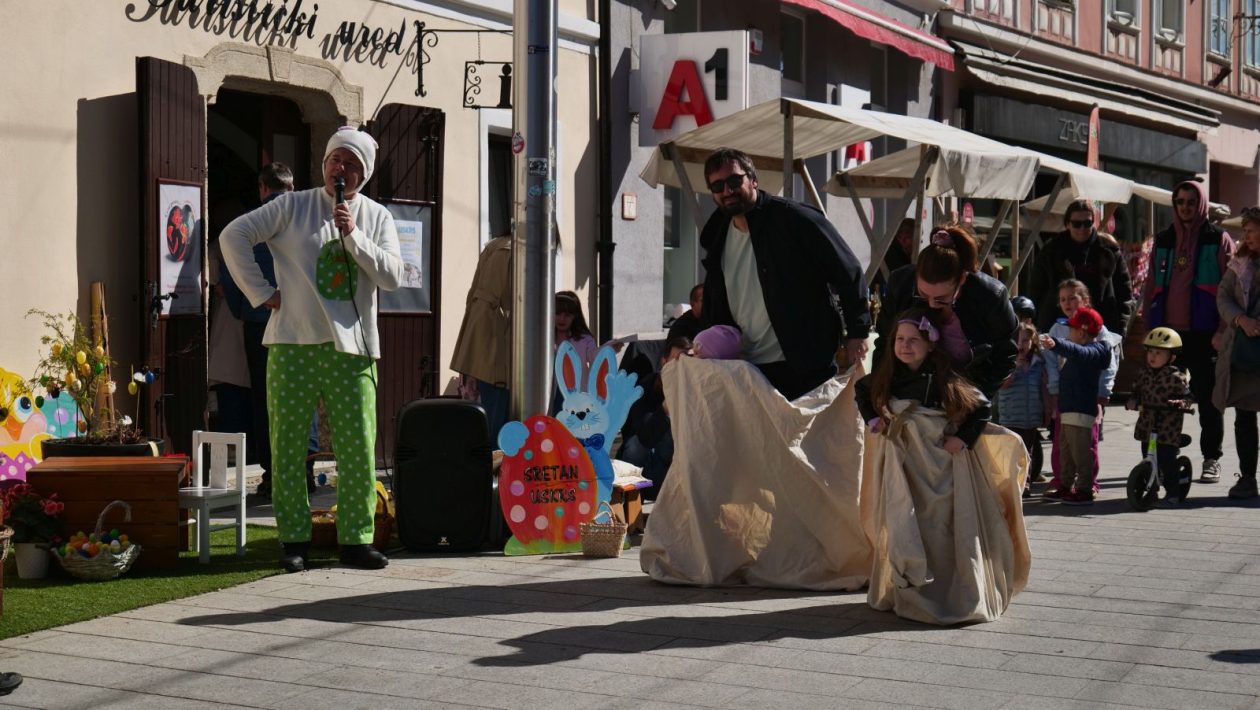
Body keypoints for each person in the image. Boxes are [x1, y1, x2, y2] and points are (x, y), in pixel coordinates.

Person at [221, 127, 404, 573]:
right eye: (335, 160)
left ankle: (356, 540)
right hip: (292, 343)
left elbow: (394, 276)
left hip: (352, 349)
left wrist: (355, 237)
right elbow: (233, 236)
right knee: (286, 446)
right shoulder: (291, 205)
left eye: (352, 164)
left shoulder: (377, 216)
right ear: (324, 163)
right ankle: (294, 540)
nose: (341, 169)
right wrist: (262, 293)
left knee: (357, 447)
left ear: (364, 173)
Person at [857, 308, 1028, 624]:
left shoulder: (944, 378)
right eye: (900, 339)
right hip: (905, 465)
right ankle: (907, 584)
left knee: (938, 526)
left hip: (939, 463)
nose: (905, 346)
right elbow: (862, 391)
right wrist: (873, 419)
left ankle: (946, 588)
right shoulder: (887, 375)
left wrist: (962, 439)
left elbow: (981, 407)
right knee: (904, 522)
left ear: (930, 344)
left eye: (913, 340)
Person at [697, 147, 869, 400]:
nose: (727, 190)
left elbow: (848, 270)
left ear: (753, 180)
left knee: (807, 440)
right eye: (718, 186)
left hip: (803, 363)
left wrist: (857, 332)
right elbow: (714, 301)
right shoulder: (716, 236)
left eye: (735, 181)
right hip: (745, 367)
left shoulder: (794, 218)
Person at [1143, 179, 1236, 483]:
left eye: (1191, 201)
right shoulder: (1164, 239)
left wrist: (1223, 330)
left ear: (1202, 204)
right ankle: (1160, 457)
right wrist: (1150, 330)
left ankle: (1211, 458)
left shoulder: (1218, 239)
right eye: (1180, 201)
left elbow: (1231, 289)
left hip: (1205, 333)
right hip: (1168, 334)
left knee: (1209, 399)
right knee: (1161, 398)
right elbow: (1150, 288)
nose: (1185, 207)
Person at [220, 162, 295, 498]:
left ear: (262, 188)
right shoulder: (303, 219)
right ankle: (304, 470)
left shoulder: (250, 223)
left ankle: (272, 476)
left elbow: (230, 271)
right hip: (301, 324)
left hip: (260, 323)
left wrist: (246, 308)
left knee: (267, 401)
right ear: (291, 188)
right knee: (302, 399)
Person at [875, 224, 1018, 400]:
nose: (932, 304)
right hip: (908, 392)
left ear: (962, 279)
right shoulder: (901, 284)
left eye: (942, 298)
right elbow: (884, 342)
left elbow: (1006, 354)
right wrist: (879, 392)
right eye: (923, 294)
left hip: (966, 393)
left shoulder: (991, 296)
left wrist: (976, 400)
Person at [1040, 279, 1121, 501]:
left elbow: (1103, 363)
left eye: (1072, 297)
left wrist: (1103, 394)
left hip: (1087, 400)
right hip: (1065, 399)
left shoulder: (1098, 335)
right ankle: (1063, 481)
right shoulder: (1058, 327)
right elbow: (1051, 361)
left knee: (1086, 444)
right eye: (1062, 299)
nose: (1067, 302)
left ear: (1085, 301)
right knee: (1062, 443)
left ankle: (1087, 484)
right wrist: (1054, 389)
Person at [1029, 198, 1134, 337]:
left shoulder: (1109, 250)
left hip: (1100, 327)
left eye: (1087, 223)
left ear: (1093, 223)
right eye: (1077, 224)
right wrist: (1036, 323)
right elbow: (1036, 289)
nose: (1082, 228)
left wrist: (1122, 325)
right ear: (1067, 224)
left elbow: (1124, 291)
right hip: (1058, 326)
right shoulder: (1051, 251)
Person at [1214, 207, 1260, 499]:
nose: (1247, 236)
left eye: (1252, 230)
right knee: (1244, 417)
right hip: (1244, 352)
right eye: (1245, 230)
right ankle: (1247, 478)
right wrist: (1240, 319)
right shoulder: (1240, 263)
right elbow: (1223, 296)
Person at [450, 232, 512, 439]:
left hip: (479, 337)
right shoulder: (514, 250)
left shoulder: (494, 246)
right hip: (501, 343)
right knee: (498, 426)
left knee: (484, 417)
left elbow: (472, 294)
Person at [1126, 327, 1194, 504]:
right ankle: (1151, 490)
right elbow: (1136, 391)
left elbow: (1188, 397)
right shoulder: (1144, 373)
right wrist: (1133, 400)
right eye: (1150, 352)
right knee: (1146, 456)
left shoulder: (1176, 377)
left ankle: (1173, 493)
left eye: (1159, 353)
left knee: (1166, 459)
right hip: (1147, 424)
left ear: (1171, 357)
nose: (1153, 357)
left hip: (1167, 427)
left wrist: (1181, 403)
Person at [616, 335, 691, 496]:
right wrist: (665, 408)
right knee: (635, 446)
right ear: (664, 362)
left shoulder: (693, 389)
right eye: (675, 360)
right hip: (649, 462)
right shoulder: (647, 386)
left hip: (674, 468)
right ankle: (630, 498)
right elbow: (644, 436)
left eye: (685, 362)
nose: (680, 367)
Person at [997, 322, 1048, 490]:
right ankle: (1010, 484)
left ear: (1033, 341)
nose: (1021, 345)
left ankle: (1024, 484)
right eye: (1017, 341)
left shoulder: (1038, 363)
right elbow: (1002, 385)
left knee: (1027, 453)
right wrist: (1015, 368)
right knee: (1011, 453)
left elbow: (1043, 388)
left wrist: (1047, 411)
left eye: (1025, 340)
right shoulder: (1007, 363)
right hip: (1011, 417)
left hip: (1031, 418)